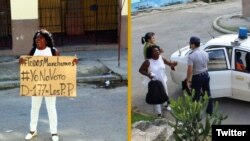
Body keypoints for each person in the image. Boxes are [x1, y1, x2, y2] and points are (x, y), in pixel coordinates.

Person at [23, 29, 60, 141]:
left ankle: (54, 133)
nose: (38, 39)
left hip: (50, 84)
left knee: (51, 108)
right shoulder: (33, 51)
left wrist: (72, 63)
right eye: (36, 38)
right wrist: (22, 61)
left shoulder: (53, 51)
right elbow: (26, 65)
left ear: (46, 41)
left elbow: (62, 67)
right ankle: (32, 130)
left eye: (40, 38)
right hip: (36, 84)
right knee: (34, 107)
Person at [139, 45, 177, 117]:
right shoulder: (148, 62)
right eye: (155, 51)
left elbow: (169, 64)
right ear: (151, 53)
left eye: (158, 50)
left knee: (165, 92)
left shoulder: (161, 58)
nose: (158, 52)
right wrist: (148, 75)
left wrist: (173, 64)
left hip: (162, 79)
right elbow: (141, 70)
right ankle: (159, 113)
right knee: (157, 96)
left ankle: (166, 105)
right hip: (154, 81)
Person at [186, 36, 213, 115]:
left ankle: (195, 113)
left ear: (193, 45)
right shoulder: (205, 53)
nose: (190, 45)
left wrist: (188, 81)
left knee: (196, 95)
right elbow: (206, 64)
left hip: (197, 77)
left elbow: (190, 70)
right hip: (206, 75)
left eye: (190, 43)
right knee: (208, 94)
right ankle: (209, 111)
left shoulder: (191, 56)